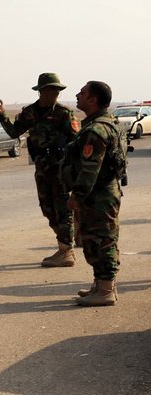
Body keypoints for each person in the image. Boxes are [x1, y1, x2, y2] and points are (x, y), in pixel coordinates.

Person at [0, 72, 80, 268]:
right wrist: (1, 114)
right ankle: (65, 245)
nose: (55, 93)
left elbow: (76, 140)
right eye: (51, 90)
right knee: (47, 209)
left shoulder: (65, 113)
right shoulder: (30, 112)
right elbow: (14, 132)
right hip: (42, 167)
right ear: (41, 92)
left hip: (61, 168)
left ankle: (66, 250)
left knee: (63, 210)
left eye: (57, 90)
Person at [66, 81, 125, 306]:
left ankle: (106, 290)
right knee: (96, 240)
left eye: (82, 93)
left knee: (102, 241)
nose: (78, 96)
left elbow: (91, 169)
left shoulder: (97, 130)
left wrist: (76, 196)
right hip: (102, 192)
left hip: (98, 195)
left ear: (93, 100)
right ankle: (100, 284)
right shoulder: (109, 123)